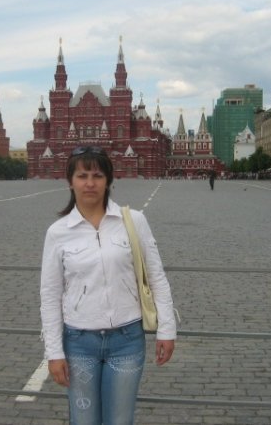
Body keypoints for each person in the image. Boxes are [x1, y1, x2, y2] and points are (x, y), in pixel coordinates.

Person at [40, 146, 176, 425]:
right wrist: (54, 352)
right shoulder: (58, 232)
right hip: (79, 342)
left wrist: (167, 330)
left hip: (126, 340)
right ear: (70, 182)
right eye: (82, 176)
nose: (90, 183)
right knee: (83, 420)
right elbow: (50, 295)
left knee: (120, 421)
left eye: (98, 175)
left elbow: (156, 277)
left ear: (109, 181)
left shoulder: (133, 221)